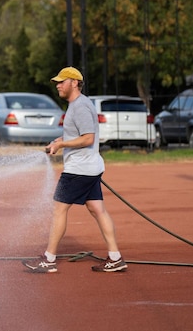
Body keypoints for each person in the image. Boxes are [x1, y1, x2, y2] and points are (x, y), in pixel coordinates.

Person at [22, 67, 127, 273]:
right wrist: (59, 142)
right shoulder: (78, 105)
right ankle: (115, 258)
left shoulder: (79, 106)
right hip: (89, 167)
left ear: (75, 83)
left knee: (59, 209)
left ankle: (49, 260)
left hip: (79, 169)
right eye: (57, 82)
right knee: (97, 210)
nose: (58, 85)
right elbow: (80, 135)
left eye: (62, 81)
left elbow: (88, 138)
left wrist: (61, 146)